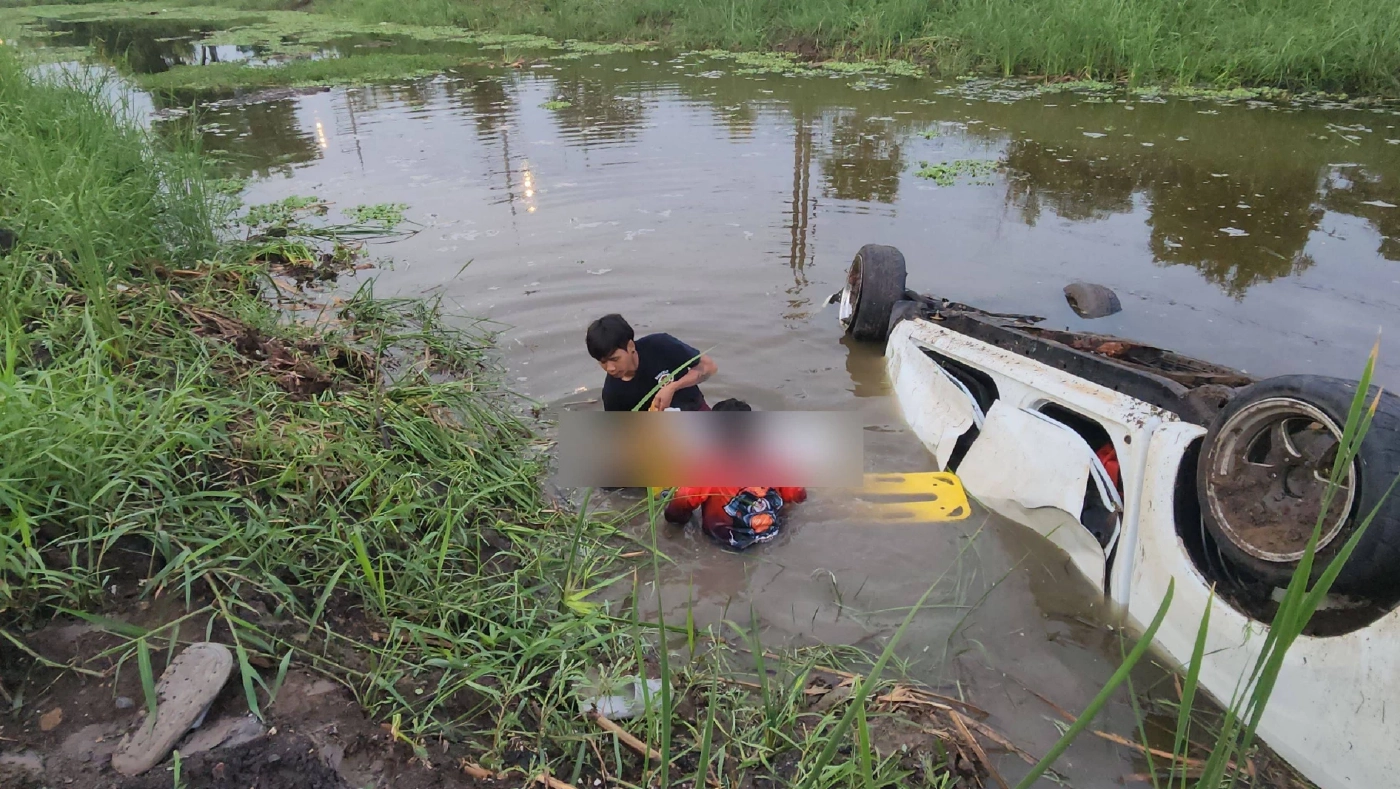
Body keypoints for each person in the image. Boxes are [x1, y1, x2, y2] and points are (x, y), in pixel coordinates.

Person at [663, 399, 807, 550]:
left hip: (726, 541)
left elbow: (679, 505)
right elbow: (798, 494)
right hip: (772, 534)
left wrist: (674, 520)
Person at [586, 314, 717, 412]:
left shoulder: (660, 345)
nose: (610, 368)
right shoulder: (612, 393)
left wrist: (673, 387)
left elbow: (709, 367)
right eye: (602, 362)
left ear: (630, 346)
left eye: (615, 359)